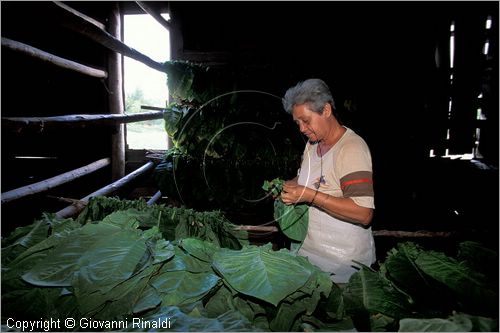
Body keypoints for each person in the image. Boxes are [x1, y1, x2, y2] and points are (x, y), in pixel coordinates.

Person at [280, 78, 375, 283]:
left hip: (342, 269)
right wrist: (288, 185)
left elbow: (363, 213)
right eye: (298, 123)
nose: (302, 129)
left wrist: (310, 196)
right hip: (309, 261)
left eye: (306, 121)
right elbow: (308, 178)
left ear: (326, 110)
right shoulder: (312, 145)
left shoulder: (351, 148)